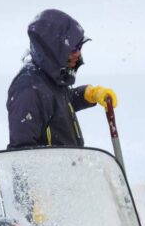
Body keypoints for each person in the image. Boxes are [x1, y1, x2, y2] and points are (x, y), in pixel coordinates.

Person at [7, 8, 117, 149]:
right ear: (52, 50)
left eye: (80, 46)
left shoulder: (50, 76)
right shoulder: (28, 90)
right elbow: (20, 155)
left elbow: (58, 104)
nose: (78, 53)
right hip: (53, 170)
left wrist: (89, 94)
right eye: (73, 48)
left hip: (67, 167)